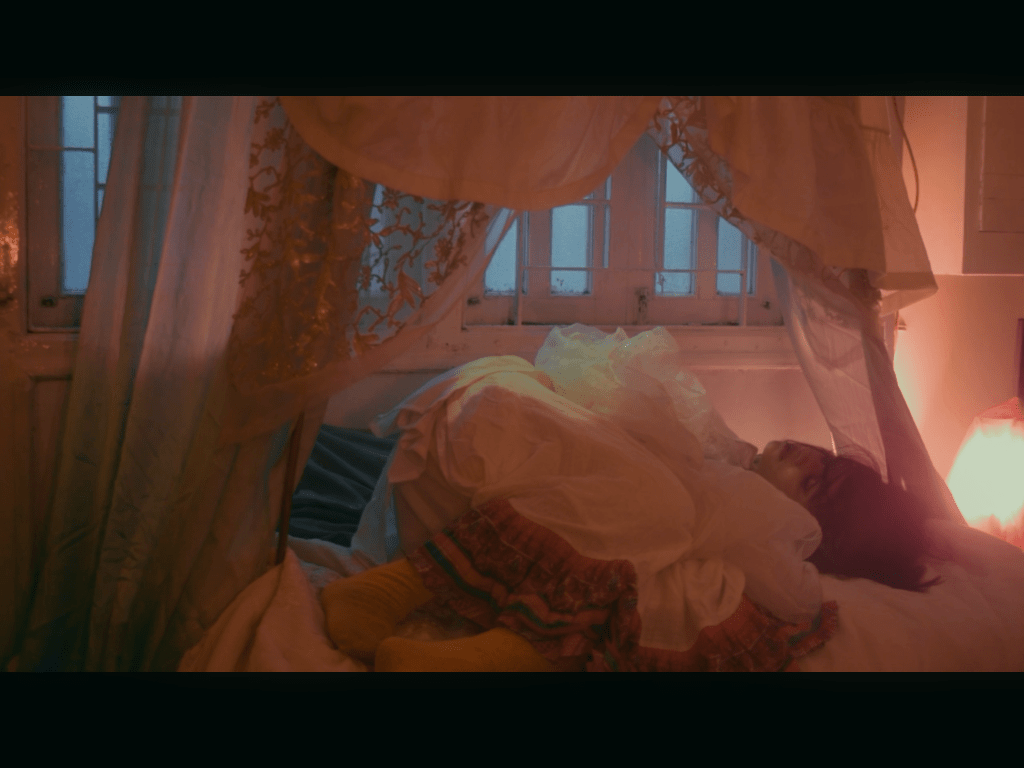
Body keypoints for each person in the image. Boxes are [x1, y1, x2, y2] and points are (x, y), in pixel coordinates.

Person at [322, 435, 940, 671]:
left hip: (677, 537)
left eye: (811, 486)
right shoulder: (729, 446)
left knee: (649, 574)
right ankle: (391, 587)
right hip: (656, 499)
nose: (806, 458)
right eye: (821, 458)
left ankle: (482, 658)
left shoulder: (769, 531)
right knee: (611, 501)